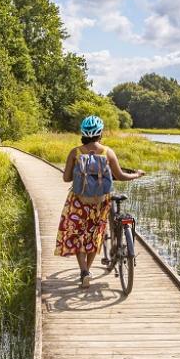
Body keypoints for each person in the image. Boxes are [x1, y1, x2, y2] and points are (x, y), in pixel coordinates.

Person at [55, 115, 144, 287]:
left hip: (79, 203)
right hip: (101, 203)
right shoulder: (107, 152)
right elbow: (120, 176)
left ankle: (84, 272)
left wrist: (74, 172)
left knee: (78, 236)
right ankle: (87, 271)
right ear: (100, 133)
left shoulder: (75, 152)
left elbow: (66, 179)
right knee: (94, 237)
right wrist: (137, 174)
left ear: (83, 133)